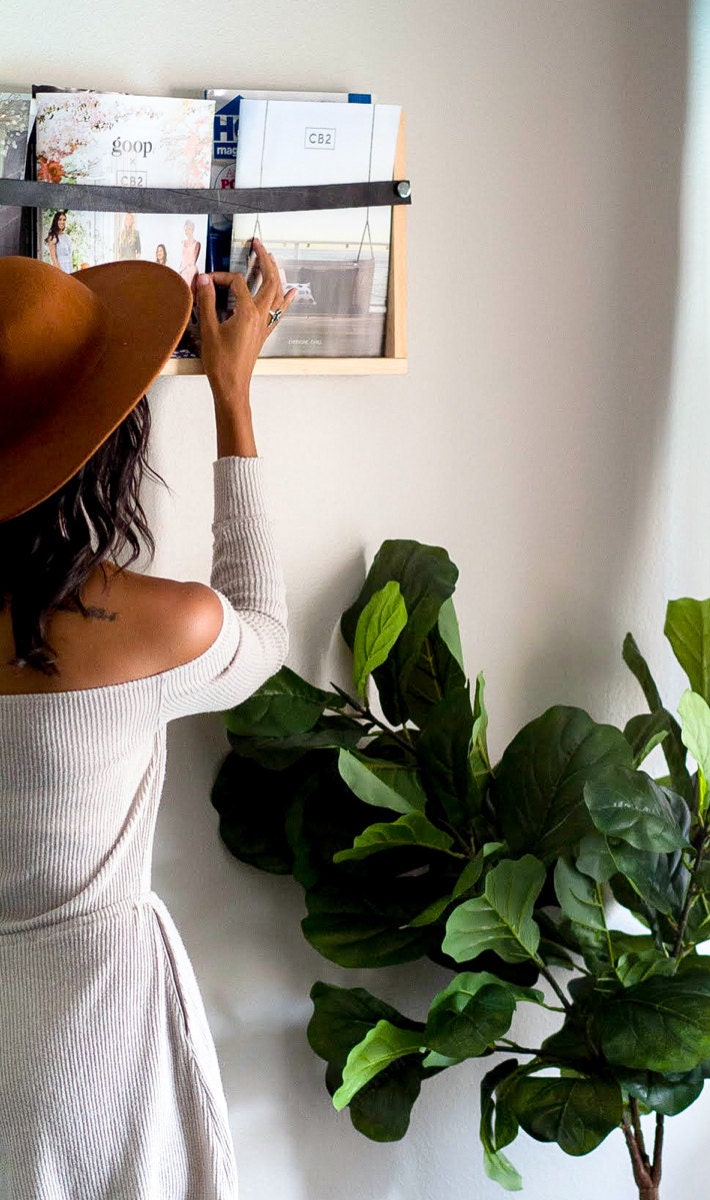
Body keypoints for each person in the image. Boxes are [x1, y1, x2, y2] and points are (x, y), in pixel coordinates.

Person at [0, 240, 297, 1197]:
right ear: (115, 444)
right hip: (101, 1029)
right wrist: (233, 397)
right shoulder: (158, 627)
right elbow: (263, 634)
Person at [178, 218, 201, 285]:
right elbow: (181, 258)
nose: (187, 231)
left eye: (189, 229)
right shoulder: (182, 243)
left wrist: (183, 270)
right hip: (182, 270)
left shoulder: (197, 244)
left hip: (191, 271)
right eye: (186, 229)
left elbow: (192, 261)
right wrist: (180, 270)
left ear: (193, 229)